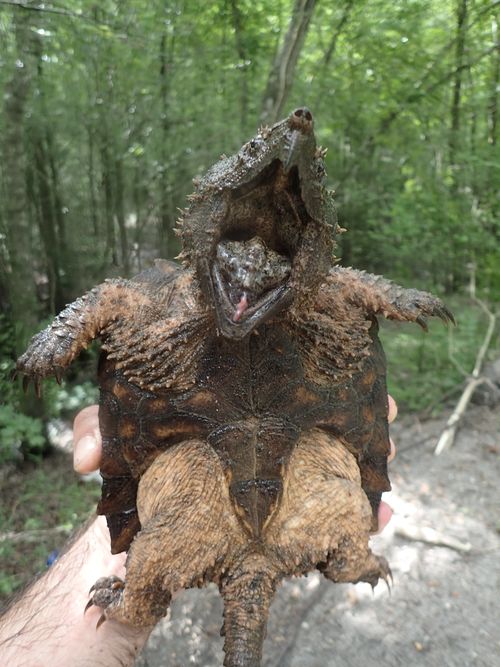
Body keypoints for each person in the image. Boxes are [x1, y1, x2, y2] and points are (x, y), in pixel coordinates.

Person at [0, 398, 398, 666]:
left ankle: (137, 601)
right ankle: (351, 559)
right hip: (231, 491)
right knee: (348, 504)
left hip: (256, 475)